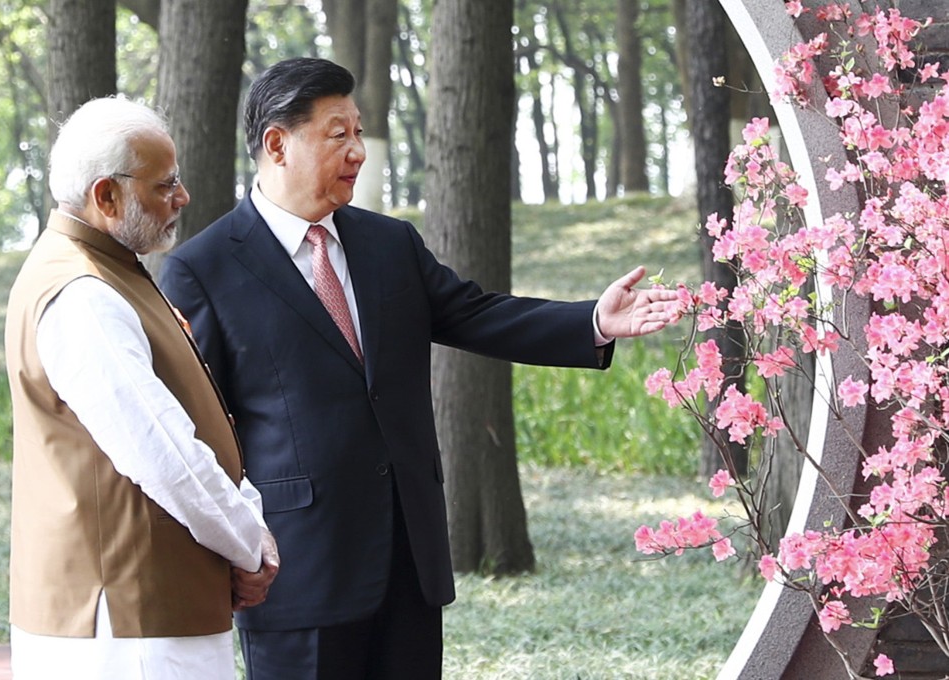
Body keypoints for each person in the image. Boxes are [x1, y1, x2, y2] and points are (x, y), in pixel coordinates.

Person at [159, 57, 678, 680]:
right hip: (297, 573)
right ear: (277, 143)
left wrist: (592, 320)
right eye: (338, 134)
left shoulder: (389, 244)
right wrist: (232, 547)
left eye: (359, 132)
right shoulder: (203, 269)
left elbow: (479, 314)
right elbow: (198, 430)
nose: (358, 150)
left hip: (409, 560)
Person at [4, 96, 281, 680]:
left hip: (138, 617)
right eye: (165, 185)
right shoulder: (83, 293)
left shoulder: (103, 269)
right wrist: (248, 543)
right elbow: (164, 453)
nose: (181, 198)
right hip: (128, 626)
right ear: (106, 196)